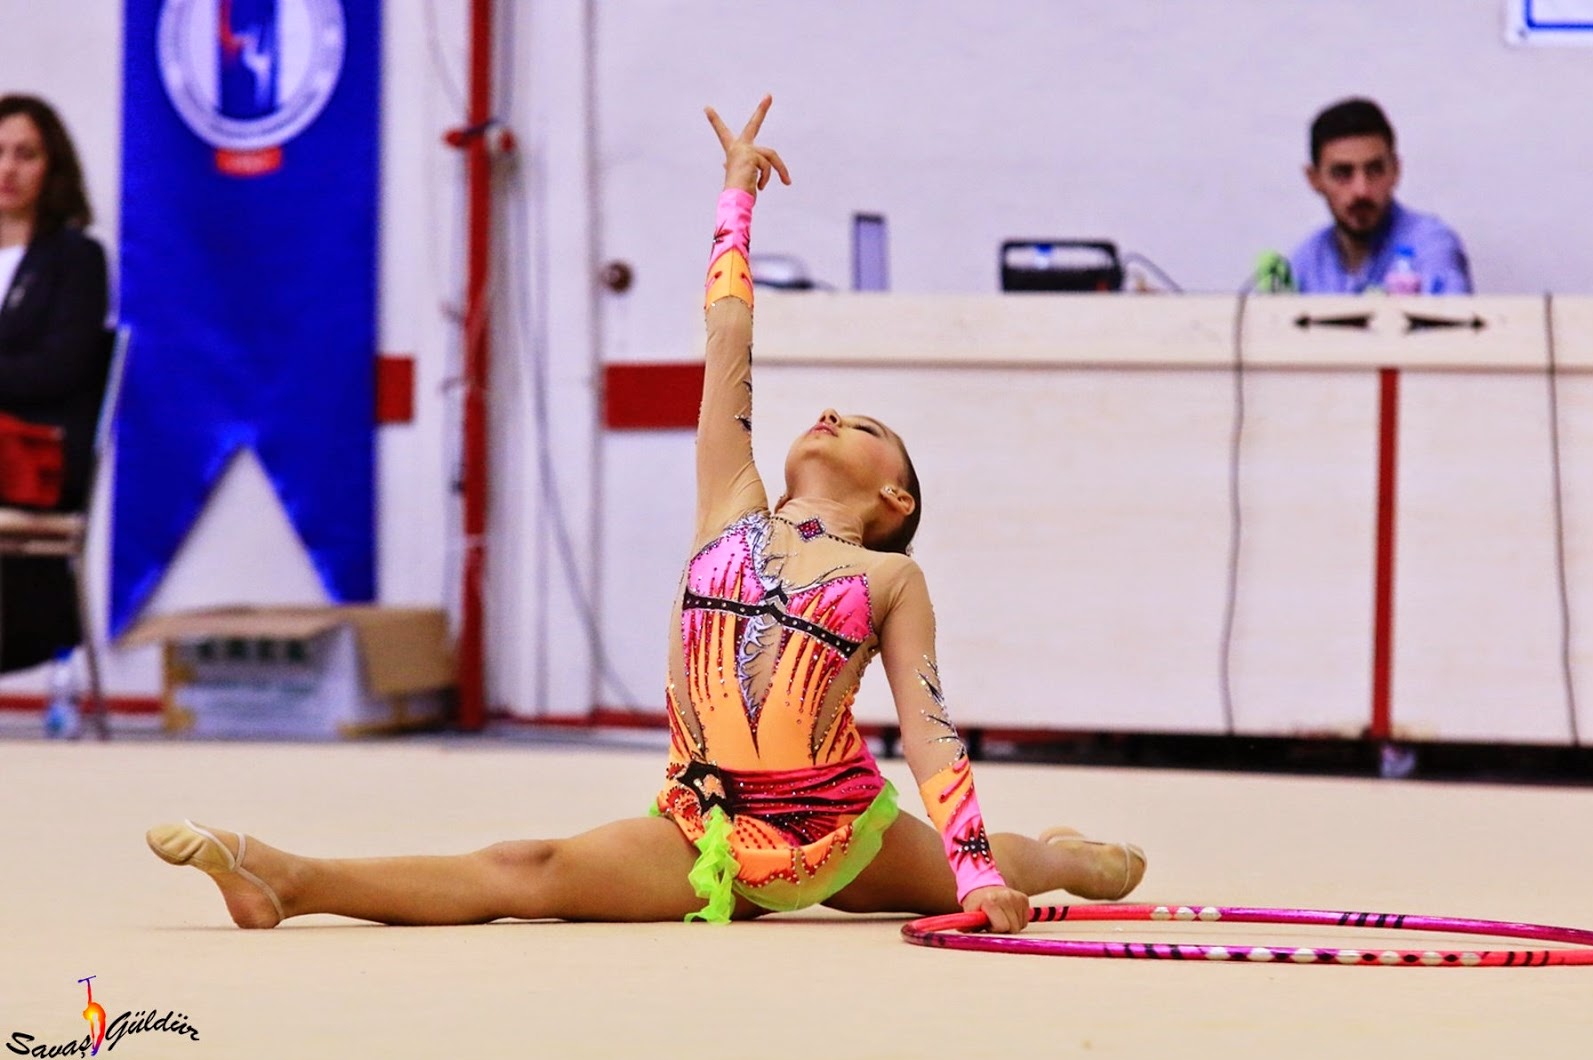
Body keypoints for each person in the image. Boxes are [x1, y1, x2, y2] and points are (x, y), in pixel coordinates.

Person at [146, 98, 1146, 934]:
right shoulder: (732, 503)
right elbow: (727, 341)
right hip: (705, 822)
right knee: (527, 869)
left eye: (868, 425)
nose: (835, 412)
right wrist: (735, 203)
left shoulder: (891, 576)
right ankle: (291, 878)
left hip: (840, 831)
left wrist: (978, 873)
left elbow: (927, 728)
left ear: (898, 498)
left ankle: (1065, 855)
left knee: (1001, 863)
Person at [0, 94, 111, 672]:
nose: (8, 169)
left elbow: (59, 368)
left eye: (26, 155)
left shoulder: (77, 258)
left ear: (52, 168)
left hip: (39, 453)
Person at [1286, 97, 1472, 295]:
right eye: (1343, 174)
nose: (1361, 190)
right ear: (1314, 179)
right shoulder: (1307, 261)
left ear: (1396, 170)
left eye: (1374, 170)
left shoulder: (1430, 246)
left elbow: (1449, 312)